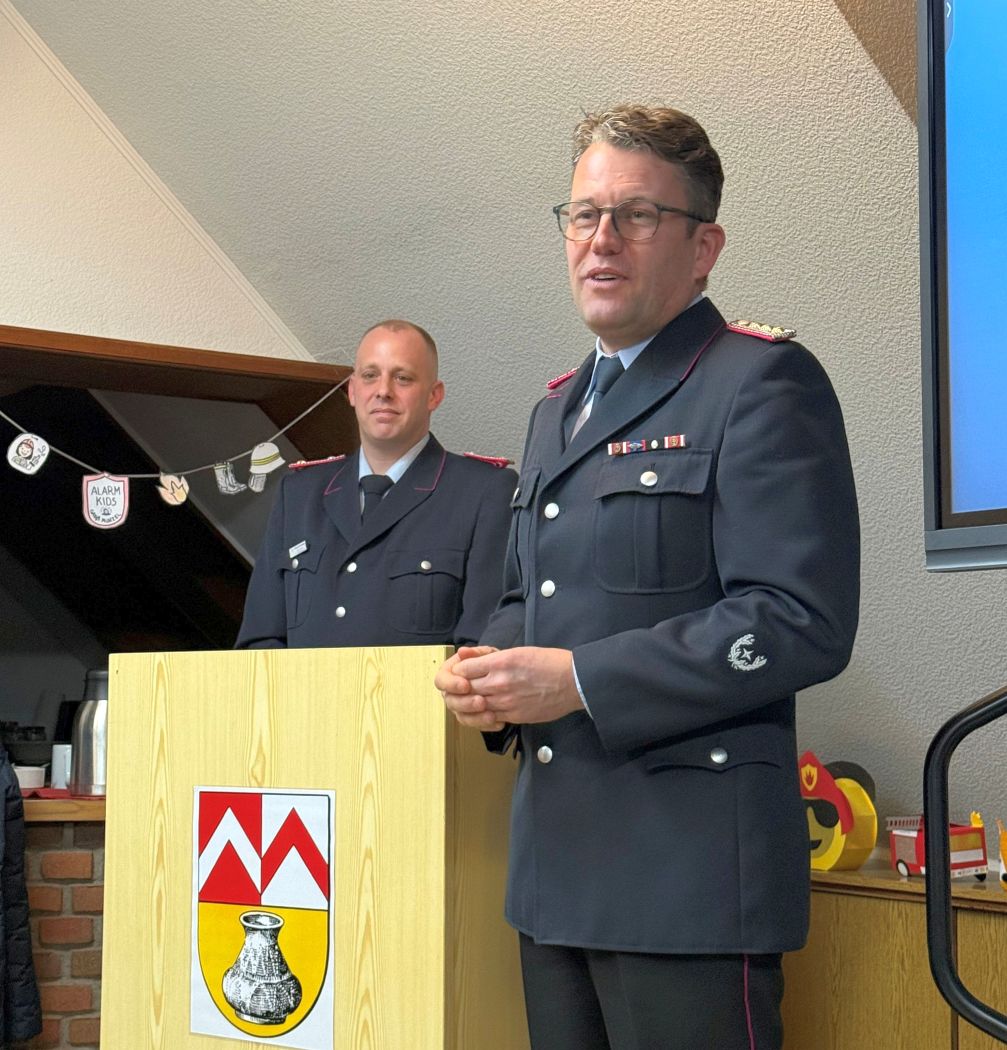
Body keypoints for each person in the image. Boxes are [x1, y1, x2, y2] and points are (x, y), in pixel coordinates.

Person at [435, 105, 860, 1050]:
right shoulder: (556, 411)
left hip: (686, 878)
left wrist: (578, 680)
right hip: (554, 873)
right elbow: (530, 595)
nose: (601, 240)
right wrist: (491, 665)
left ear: (702, 247)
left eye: (635, 215)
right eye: (582, 215)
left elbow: (799, 619)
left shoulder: (758, 381)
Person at [236, 319, 517, 649]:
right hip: (302, 687)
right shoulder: (299, 493)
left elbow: (482, 650)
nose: (383, 391)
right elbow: (259, 642)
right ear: (352, 391)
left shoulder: (483, 492)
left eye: (403, 378)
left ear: (434, 396)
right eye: (370, 375)